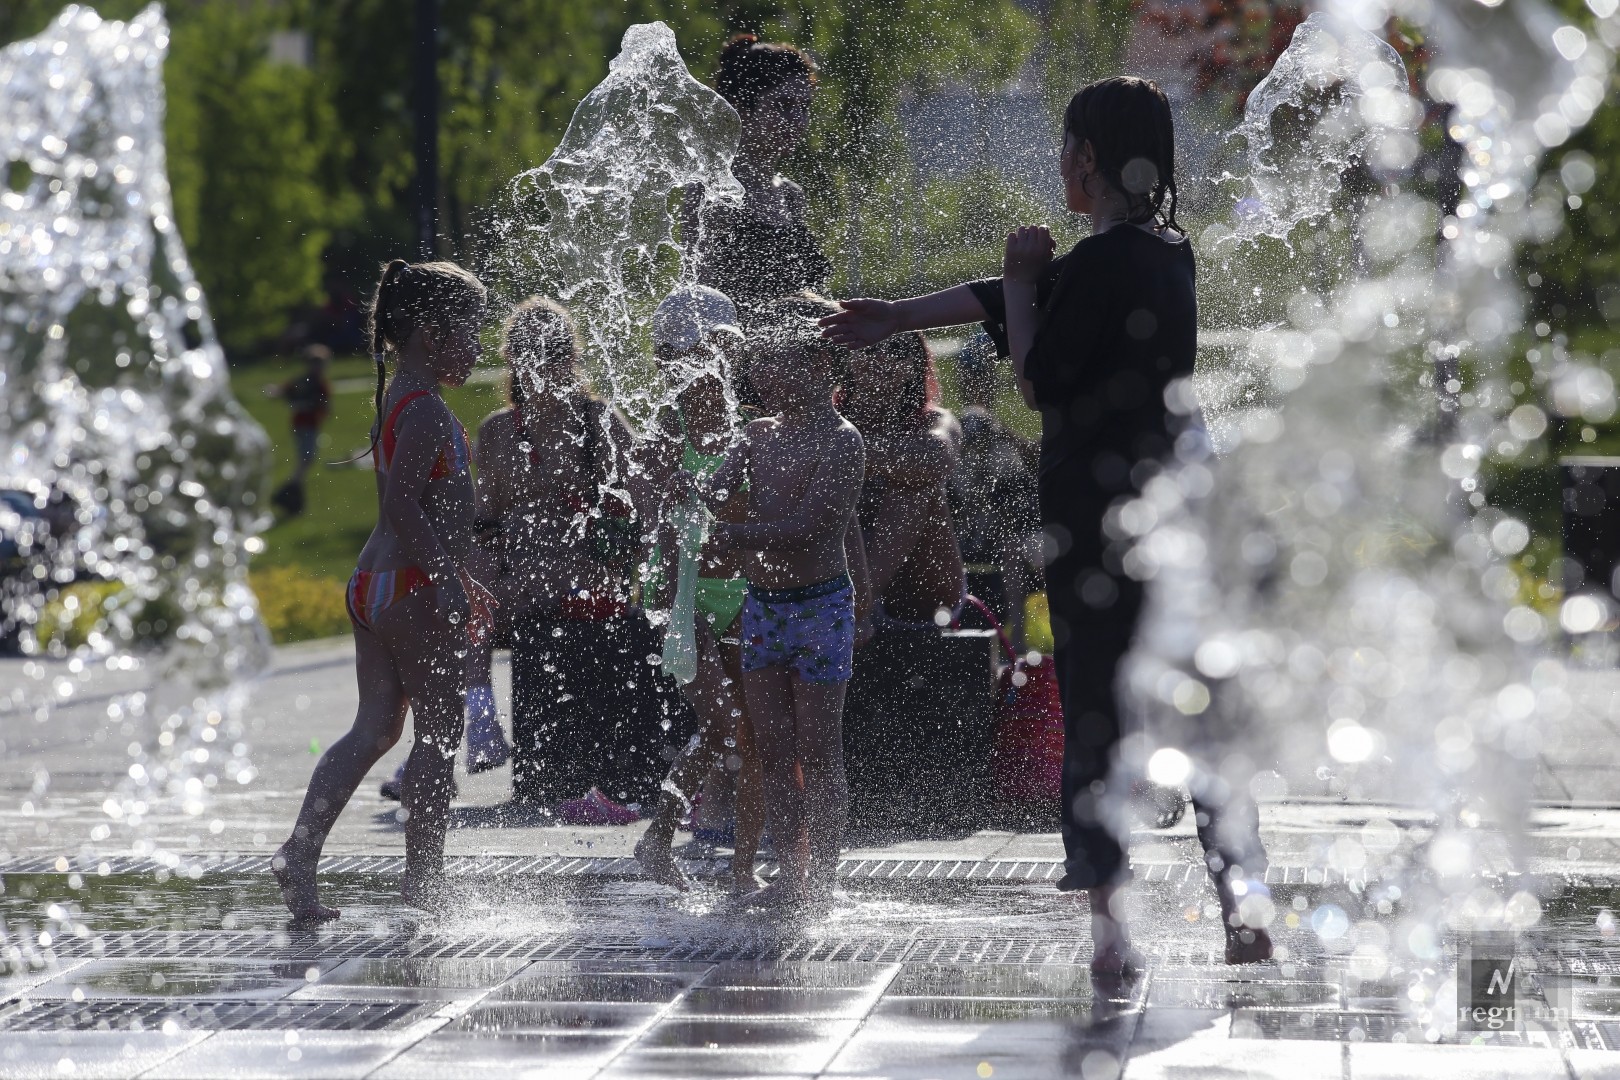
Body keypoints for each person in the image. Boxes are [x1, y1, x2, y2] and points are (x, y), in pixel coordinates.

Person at [820, 77, 1272, 972]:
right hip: (1174, 519)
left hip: (1098, 527)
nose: (1058, 163)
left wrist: (1024, 281)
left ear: (1087, 157)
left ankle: (1111, 939)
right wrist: (900, 317)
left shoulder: (1103, 263)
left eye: (1065, 146)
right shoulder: (1161, 251)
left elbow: (1036, 376)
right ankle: (1245, 913)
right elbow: (1018, 295)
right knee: (1205, 717)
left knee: (1098, 712)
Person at [273, 259, 496, 922]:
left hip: (376, 583)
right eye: (469, 330)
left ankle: (300, 853)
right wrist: (445, 585)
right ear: (429, 332)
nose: (478, 345)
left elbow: (407, 508)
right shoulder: (424, 409)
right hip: (409, 586)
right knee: (437, 734)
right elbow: (405, 507)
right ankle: (423, 883)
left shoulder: (397, 397)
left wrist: (454, 575)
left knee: (374, 729)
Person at [701, 305, 871, 910]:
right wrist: (687, 481)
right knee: (773, 750)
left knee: (819, 749)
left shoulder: (842, 441)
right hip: (764, 608)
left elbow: (809, 527)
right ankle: (790, 871)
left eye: (782, 363)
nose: (769, 377)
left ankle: (821, 877)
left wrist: (733, 536)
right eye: (763, 364)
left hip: (820, 608)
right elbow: (710, 491)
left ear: (821, 365)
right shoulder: (758, 436)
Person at [476, 297, 670, 817]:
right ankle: (547, 778)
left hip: (596, 595)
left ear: (574, 358)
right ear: (514, 361)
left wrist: (644, 581)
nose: (545, 367)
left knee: (603, 685)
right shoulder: (497, 432)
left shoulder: (598, 421)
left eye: (557, 354)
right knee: (542, 786)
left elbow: (646, 506)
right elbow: (485, 523)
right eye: (531, 355)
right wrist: (486, 592)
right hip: (528, 601)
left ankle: (613, 784)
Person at [633, 286, 767, 895]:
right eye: (672, 359)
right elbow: (656, 509)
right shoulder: (670, 424)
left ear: (725, 350)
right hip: (685, 594)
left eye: (694, 355)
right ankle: (659, 840)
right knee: (720, 724)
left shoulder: (753, 418)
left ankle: (744, 863)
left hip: (743, 587)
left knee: (755, 731)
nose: (683, 370)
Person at [693, 35, 830, 322]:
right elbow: (698, 299)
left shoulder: (791, 195)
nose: (797, 120)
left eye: (804, 107)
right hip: (745, 359)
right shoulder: (714, 193)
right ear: (740, 108)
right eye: (783, 105)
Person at [840, 332, 966, 632]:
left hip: (923, 591)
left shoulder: (933, 421)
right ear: (848, 360)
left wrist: (850, 455)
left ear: (913, 366)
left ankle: (855, 609)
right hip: (841, 570)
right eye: (869, 348)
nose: (882, 358)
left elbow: (936, 458)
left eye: (897, 351)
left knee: (914, 485)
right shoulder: (829, 420)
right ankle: (853, 603)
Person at [947, 341, 1043, 650]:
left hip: (1001, 534)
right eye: (973, 376)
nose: (979, 384)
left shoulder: (1000, 434)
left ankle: (1018, 646)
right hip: (964, 531)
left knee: (1015, 545)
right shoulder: (961, 425)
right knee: (1014, 544)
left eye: (984, 376)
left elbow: (1019, 488)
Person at [265, 345, 332, 517]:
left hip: (311, 424)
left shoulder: (318, 384)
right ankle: (288, 492)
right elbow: (285, 391)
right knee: (306, 459)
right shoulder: (306, 382)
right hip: (303, 424)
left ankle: (292, 491)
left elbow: (325, 407)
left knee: (305, 461)